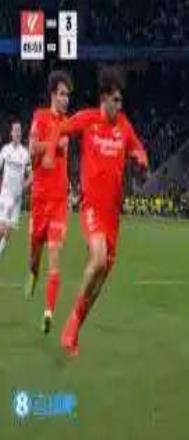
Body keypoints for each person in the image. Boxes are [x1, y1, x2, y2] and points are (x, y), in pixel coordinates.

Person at [47, 67, 149, 356]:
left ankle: (74, 330)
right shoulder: (88, 119)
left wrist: (140, 159)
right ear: (104, 99)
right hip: (91, 206)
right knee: (99, 258)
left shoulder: (124, 126)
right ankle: (70, 325)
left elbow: (138, 148)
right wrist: (51, 156)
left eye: (121, 100)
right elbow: (59, 129)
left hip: (113, 213)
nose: (120, 105)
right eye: (116, 100)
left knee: (101, 278)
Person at [27, 71, 73, 335]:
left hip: (58, 202)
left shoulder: (68, 123)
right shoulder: (40, 117)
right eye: (62, 94)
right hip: (39, 199)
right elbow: (33, 149)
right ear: (53, 94)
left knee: (55, 256)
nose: (66, 99)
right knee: (35, 257)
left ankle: (48, 313)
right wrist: (54, 144)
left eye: (68, 95)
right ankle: (32, 274)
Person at [0, 119, 32, 257]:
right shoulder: (5, 150)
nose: (17, 133)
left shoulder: (25, 153)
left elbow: (31, 175)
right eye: (15, 130)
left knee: (9, 228)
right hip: (5, 194)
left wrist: (24, 187)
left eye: (19, 130)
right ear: (11, 133)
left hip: (17, 197)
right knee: (2, 227)